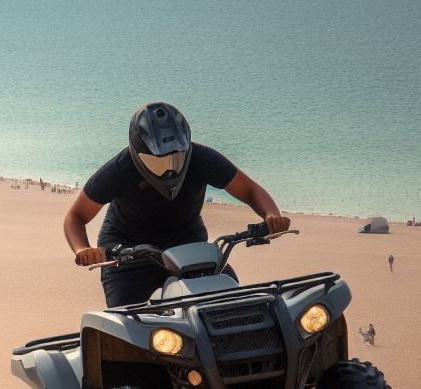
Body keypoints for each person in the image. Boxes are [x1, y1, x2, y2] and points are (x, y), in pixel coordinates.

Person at [63, 102, 290, 307]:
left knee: (226, 294)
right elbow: (76, 216)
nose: (170, 168)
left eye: (177, 157)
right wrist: (83, 249)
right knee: (126, 318)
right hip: (127, 249)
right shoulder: (120, 169)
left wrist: (271, 214)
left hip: (186, 240)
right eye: (158, 161)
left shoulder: (201, 158)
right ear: (137, 154)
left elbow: (250, 190)